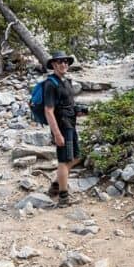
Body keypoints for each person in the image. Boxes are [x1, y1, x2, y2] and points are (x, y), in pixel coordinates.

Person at [43, 51, 82, 207]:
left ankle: (56, 184)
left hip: (70, 124)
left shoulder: (65, 81)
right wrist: (57, 134)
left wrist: (78, 110)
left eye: (66, 61)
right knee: (64, 160)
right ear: (53, 65)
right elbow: (48, 110)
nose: (64, 64)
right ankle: (63, 198)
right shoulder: (50, 84)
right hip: (62, 127)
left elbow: (66, 104)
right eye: (60, 62)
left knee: (76, 157)